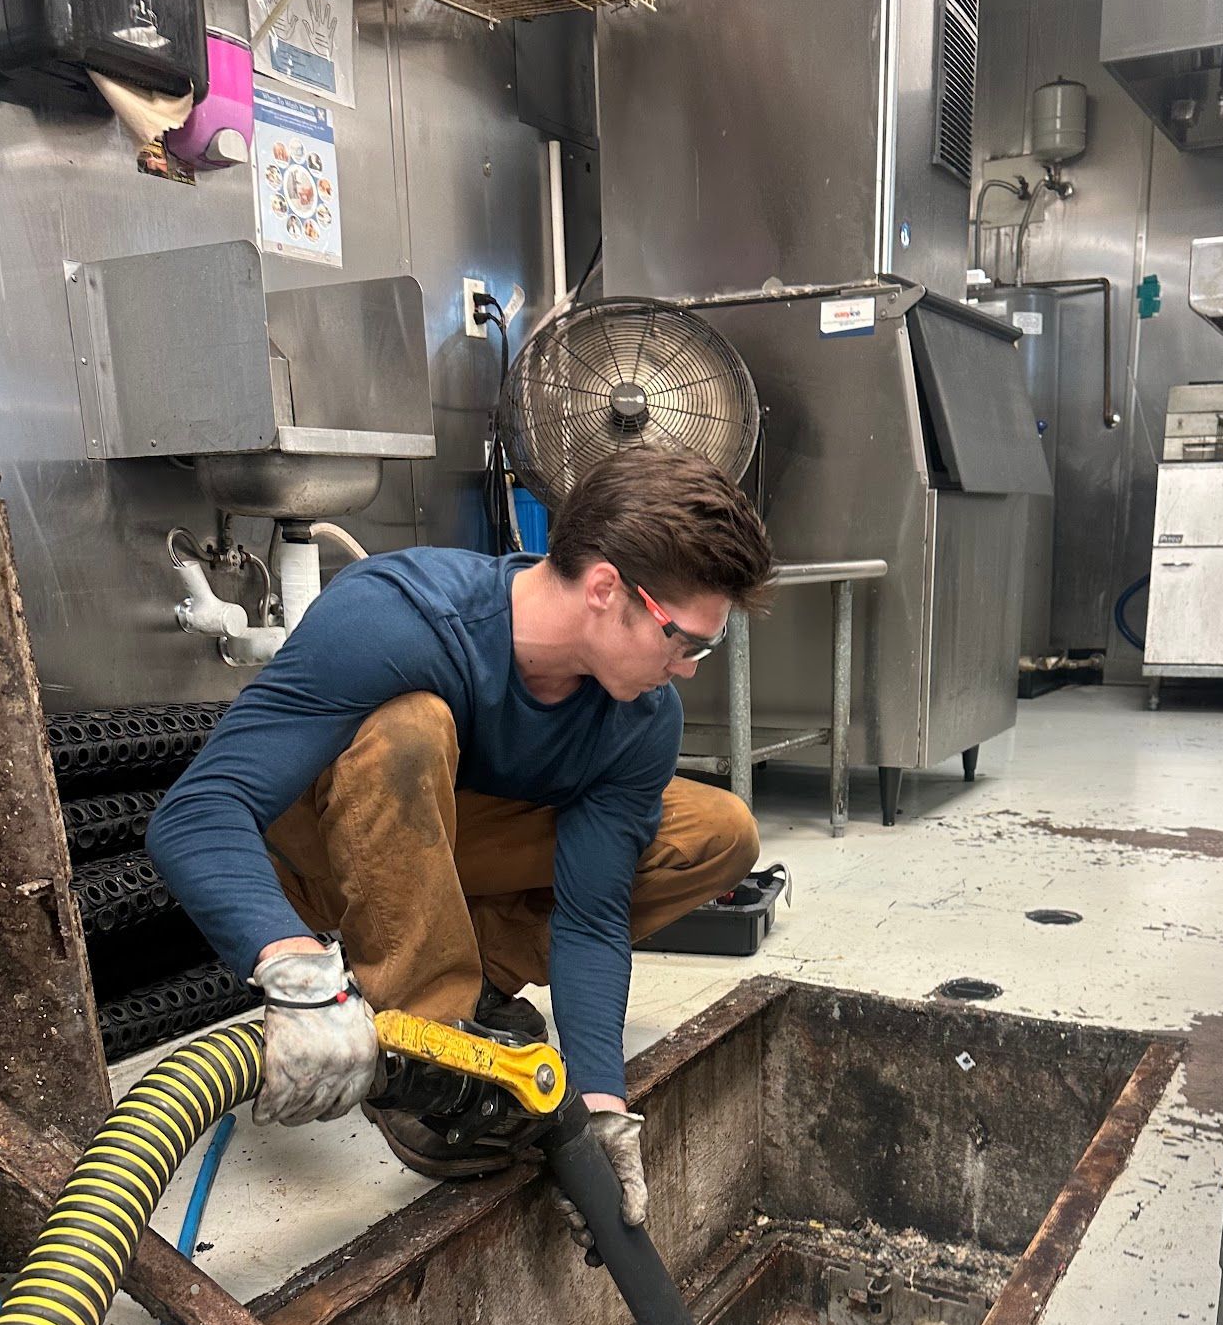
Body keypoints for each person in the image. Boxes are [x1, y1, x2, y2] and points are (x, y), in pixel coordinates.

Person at [147, 446, 774, 1230]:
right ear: (608, 589)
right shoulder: (399, 618)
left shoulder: (639, 716)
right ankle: (425, 1058)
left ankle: (471, 981)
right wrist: (294, 972)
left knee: (715, 829)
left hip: (451, 844)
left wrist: (602, 1101)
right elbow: (197, 812)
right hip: (318, 861)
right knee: (410, 727)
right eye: (686, 641)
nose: (687, 669)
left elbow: (590, 916)